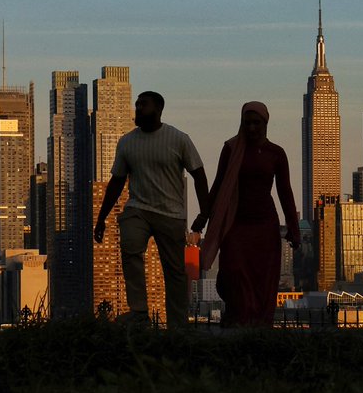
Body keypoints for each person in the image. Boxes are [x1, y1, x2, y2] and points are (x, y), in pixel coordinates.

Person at [94, 91, 210, 328]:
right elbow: (116, 182)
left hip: (171, 213)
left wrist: (204, 213)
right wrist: (101, 218)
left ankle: (178, 325)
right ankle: (139, 311)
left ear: (158, 109)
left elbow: (199, 174)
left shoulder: (178, 139)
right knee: (130, 247)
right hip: (138, 209)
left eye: (142, 105)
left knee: (175, 271)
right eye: (136, 104)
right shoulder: (126, 142)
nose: (137, 108)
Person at [197, 101, 299, 327]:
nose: (252, 128)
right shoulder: (231, 149)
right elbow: (218, 183)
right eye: (247, 123)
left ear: (265, 123)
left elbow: (285, 192)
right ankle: (238, 318)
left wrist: (294, 227)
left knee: (263, 278)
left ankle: (259, 325)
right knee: (232, 272)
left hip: (265, 225)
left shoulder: (276, 153)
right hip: (235, 222)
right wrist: (204, 215)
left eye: (257, 123)